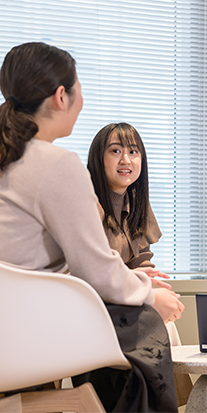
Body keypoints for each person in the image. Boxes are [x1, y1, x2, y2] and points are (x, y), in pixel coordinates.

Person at [0, 42, 184, 412]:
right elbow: (96, 270)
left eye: (133, 152)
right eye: (80, 87)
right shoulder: (57, 164)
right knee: (146, 322)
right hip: (27, 330)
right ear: (61, 96)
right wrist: (151, 294)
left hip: (12, 324)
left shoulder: (11, 154)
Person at [87, 122, 181, 345]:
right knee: (159, 322)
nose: (126, 160)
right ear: (98, 158)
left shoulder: (137, 203)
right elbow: (91, 272)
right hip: (93, 301)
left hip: (124, 296)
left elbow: (142, 263)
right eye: (116, 151)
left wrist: (157, 289)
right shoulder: (87, 204)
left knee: (166, 318)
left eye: (133, 151)